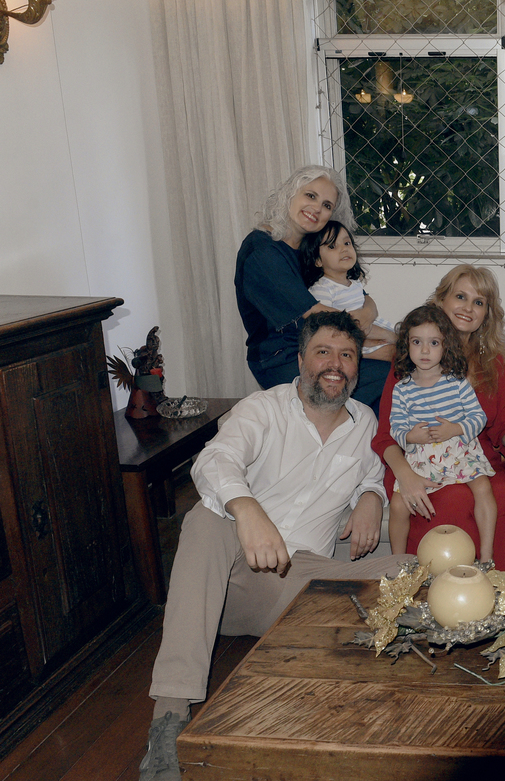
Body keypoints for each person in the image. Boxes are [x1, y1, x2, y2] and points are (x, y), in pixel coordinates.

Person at [139, 312, 409, 781]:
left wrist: (371, 496)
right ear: (301, 360)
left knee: (410, 568)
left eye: (347, 355)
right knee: (205, 519)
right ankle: (169, 718)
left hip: (303, 584)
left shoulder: (364, 422)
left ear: (356, 367)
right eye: (323, 352)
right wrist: (247, 509)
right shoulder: (262, 409)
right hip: (235, 577)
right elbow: (215, 460)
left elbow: (373, 475)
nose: (335, 364)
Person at [372, 266, 505, 572]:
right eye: (460, 297)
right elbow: (387, 434)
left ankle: (494, 581)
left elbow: (503, 426)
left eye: (478, 302)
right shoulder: (414, 357)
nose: (468, 307)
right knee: (453, 496)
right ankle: (430, 583)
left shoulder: (496, 362)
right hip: (415, 459)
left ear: (487, 314)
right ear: (440, 300)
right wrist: (405, 475)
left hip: (473, 457)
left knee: (504, 490)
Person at [234, 165, 389, 410]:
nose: (317, 208)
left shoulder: (311, 248)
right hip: (283, 359)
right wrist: (384, 340)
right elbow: (321, 316)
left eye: (327, 205)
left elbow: (358, 296)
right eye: (310, 195)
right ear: (290, 194)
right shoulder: (262, 250)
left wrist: (369, 314)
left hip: (324, 345)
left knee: (401, 373)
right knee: (394, 375)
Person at [386, 305, 496, 562]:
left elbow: (478, 417)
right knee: (398, 504)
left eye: (434, 343)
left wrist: (455, 428)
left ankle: (487, 556)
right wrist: (410, 437)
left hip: (458, 449)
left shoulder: (457, 382)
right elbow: (395, 427)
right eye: (417, 342)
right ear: (406, 345)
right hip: (421, 457)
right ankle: (397, 562)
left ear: (446, 346)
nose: (425, 350)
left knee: (483, 487)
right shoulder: (402, 389)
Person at [298, 219, 396, 361]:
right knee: (396, 352)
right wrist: (368, 341)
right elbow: (327, 330)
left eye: (347, 243)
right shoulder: (322, 288)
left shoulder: (354, 283)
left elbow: (366, 315)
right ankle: (362, 354)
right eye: (332, 246)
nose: (344, 249)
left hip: (368, 331)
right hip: (347, 340)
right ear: (318, 260)